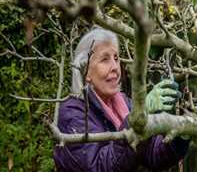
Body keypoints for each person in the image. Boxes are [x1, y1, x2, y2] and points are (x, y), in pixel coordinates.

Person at [53, 27, 189, 171]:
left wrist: (182, 135)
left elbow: (152, 155)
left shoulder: (123, 103)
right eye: (105, 59)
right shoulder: (72, 113)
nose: (115, 67)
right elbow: (101, 167)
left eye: (116, 58)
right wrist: (139, 113)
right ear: (86, 71)